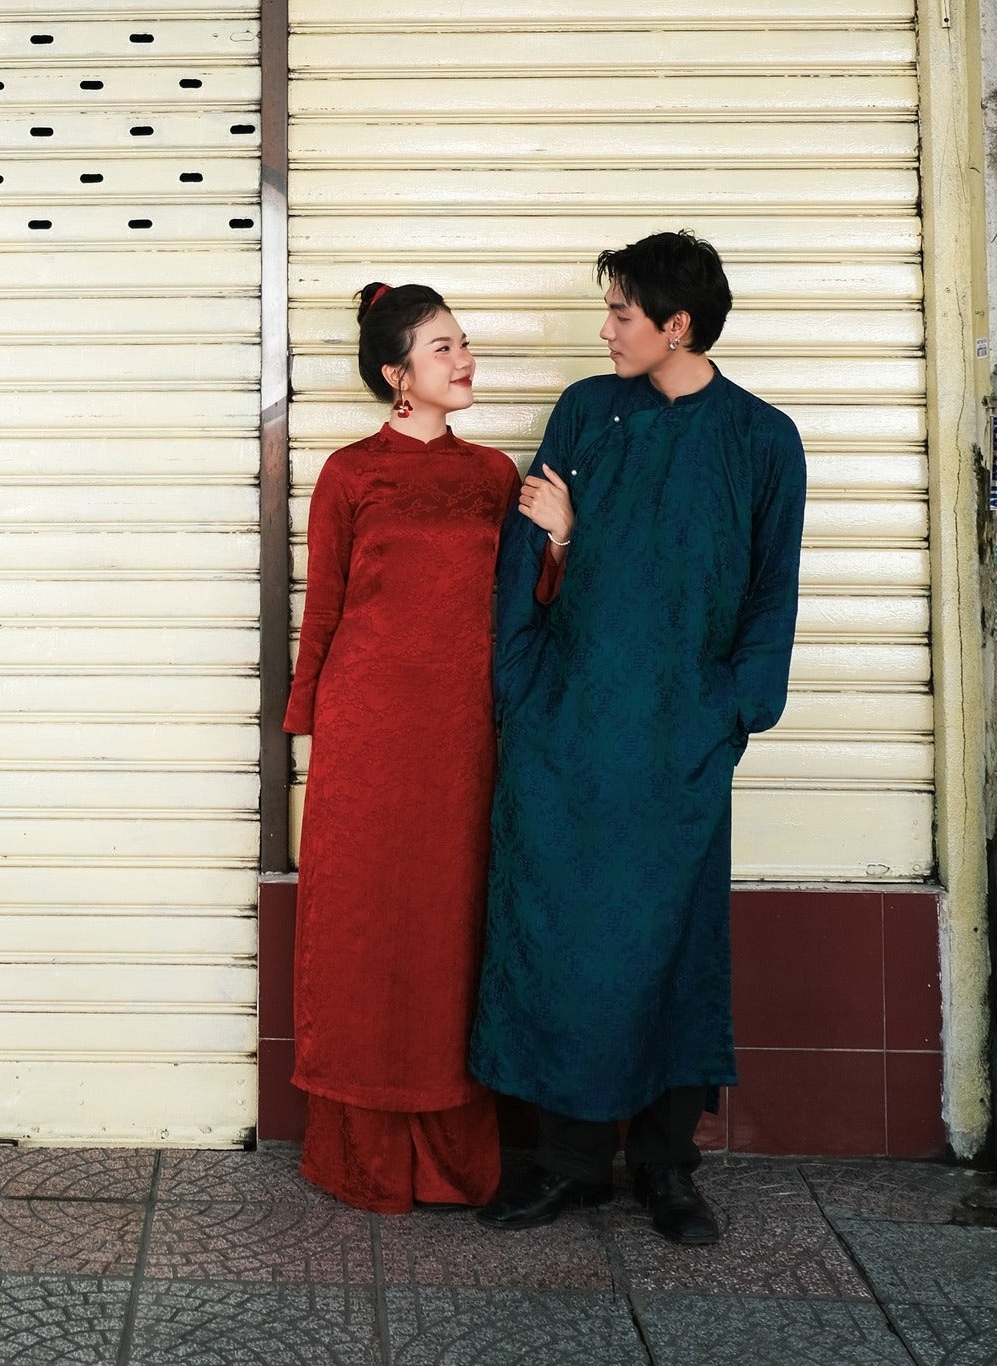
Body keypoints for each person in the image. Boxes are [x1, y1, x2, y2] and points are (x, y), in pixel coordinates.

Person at [470, 231, 807, 1245]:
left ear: (679, 325)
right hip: (567, 729)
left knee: (674, 945)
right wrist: (520, 690)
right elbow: (523, 550)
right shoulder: (585, 412)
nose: (606, 327)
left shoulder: (760, 439)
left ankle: (666, 1168)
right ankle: (565, 1164)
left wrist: (730, 712)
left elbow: (768, 594)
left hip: (680, 741)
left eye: (622, 312)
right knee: (561, 939)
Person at [283, 282, 569, 1213]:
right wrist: (307, 730)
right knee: (362, 933)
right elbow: (323, 608)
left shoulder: (493, 475)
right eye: (443, 348)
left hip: (460, 739)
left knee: (451, 931)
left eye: (465, 342)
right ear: (396, 375)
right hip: (366, 737)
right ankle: (358, 1152)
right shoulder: (349, 473)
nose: (465, 359)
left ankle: (451, 1157)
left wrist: (559, 542)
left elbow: (529, 605)